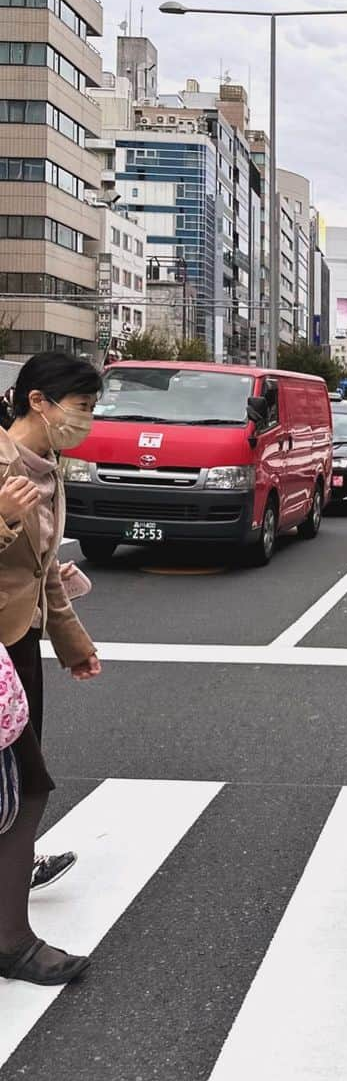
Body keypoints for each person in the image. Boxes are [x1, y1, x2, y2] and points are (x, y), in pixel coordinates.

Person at [0, 353, 102, 986]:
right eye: (82, 407)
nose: (87, 421)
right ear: (39, 401)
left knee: (17, 786)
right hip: (1, 651)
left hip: (21, 647)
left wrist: (71, 643)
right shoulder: (6, 470)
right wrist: (5, 518)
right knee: (26, 788)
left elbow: (44, 573)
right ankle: (11, 942)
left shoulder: (47, 470)